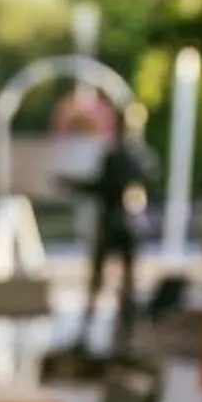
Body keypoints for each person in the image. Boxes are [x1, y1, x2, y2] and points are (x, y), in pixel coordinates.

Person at [77, 131, 152, 342]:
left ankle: (118, 323)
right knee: (117, 278)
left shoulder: (125, 163)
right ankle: (115, 323)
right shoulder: (136, 162)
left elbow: (100, 187)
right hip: (122, 227)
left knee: (109, 278)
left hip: (115, 226)